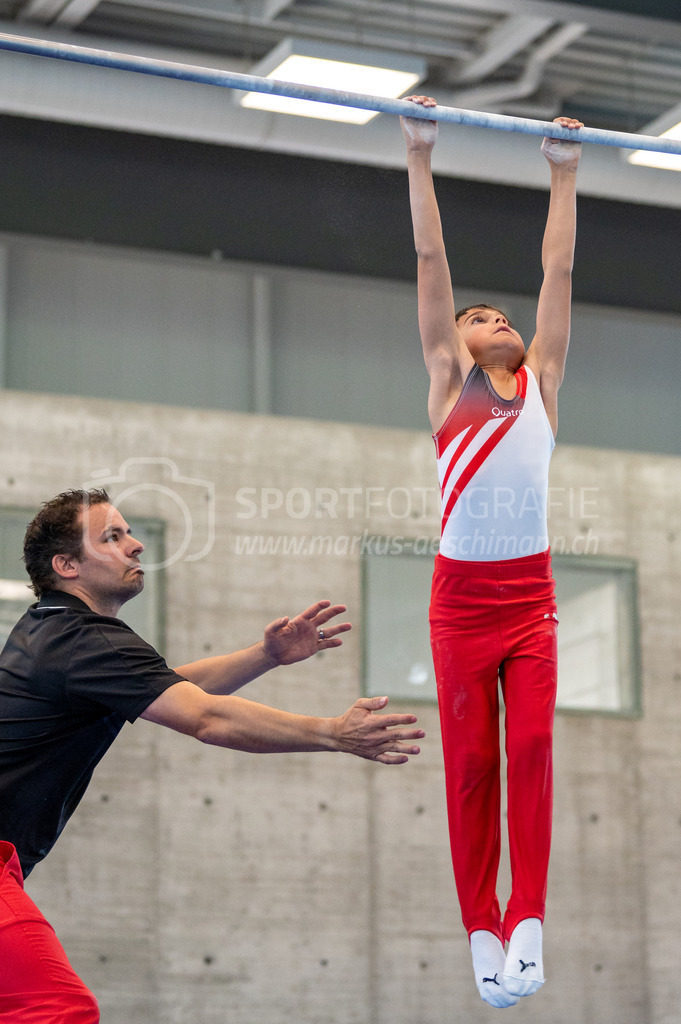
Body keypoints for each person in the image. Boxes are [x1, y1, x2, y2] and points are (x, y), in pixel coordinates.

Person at [0, 487, 424, 1022]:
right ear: (67, 565)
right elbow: (207, 718)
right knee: (57, 1009)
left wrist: (265, 655)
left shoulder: (56, 632)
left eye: (129, 532)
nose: (135, 546)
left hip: (8, 865)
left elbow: (174, 687)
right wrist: (332, 733)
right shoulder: (82, 640)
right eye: (112, 536)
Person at [399, 96, 582, 1008]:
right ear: (458, 343)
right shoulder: (446, 381)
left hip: (530, 599)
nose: (495, 316)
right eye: (477, 315)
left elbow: (559, 266)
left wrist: (562, 169)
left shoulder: (543, 379)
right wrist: (420, 152)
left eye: (503, 313)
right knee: (472, 764)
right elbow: (431, 260)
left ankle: (527, 922)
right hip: (461, 606)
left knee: (535, 744)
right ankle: (480, 930)